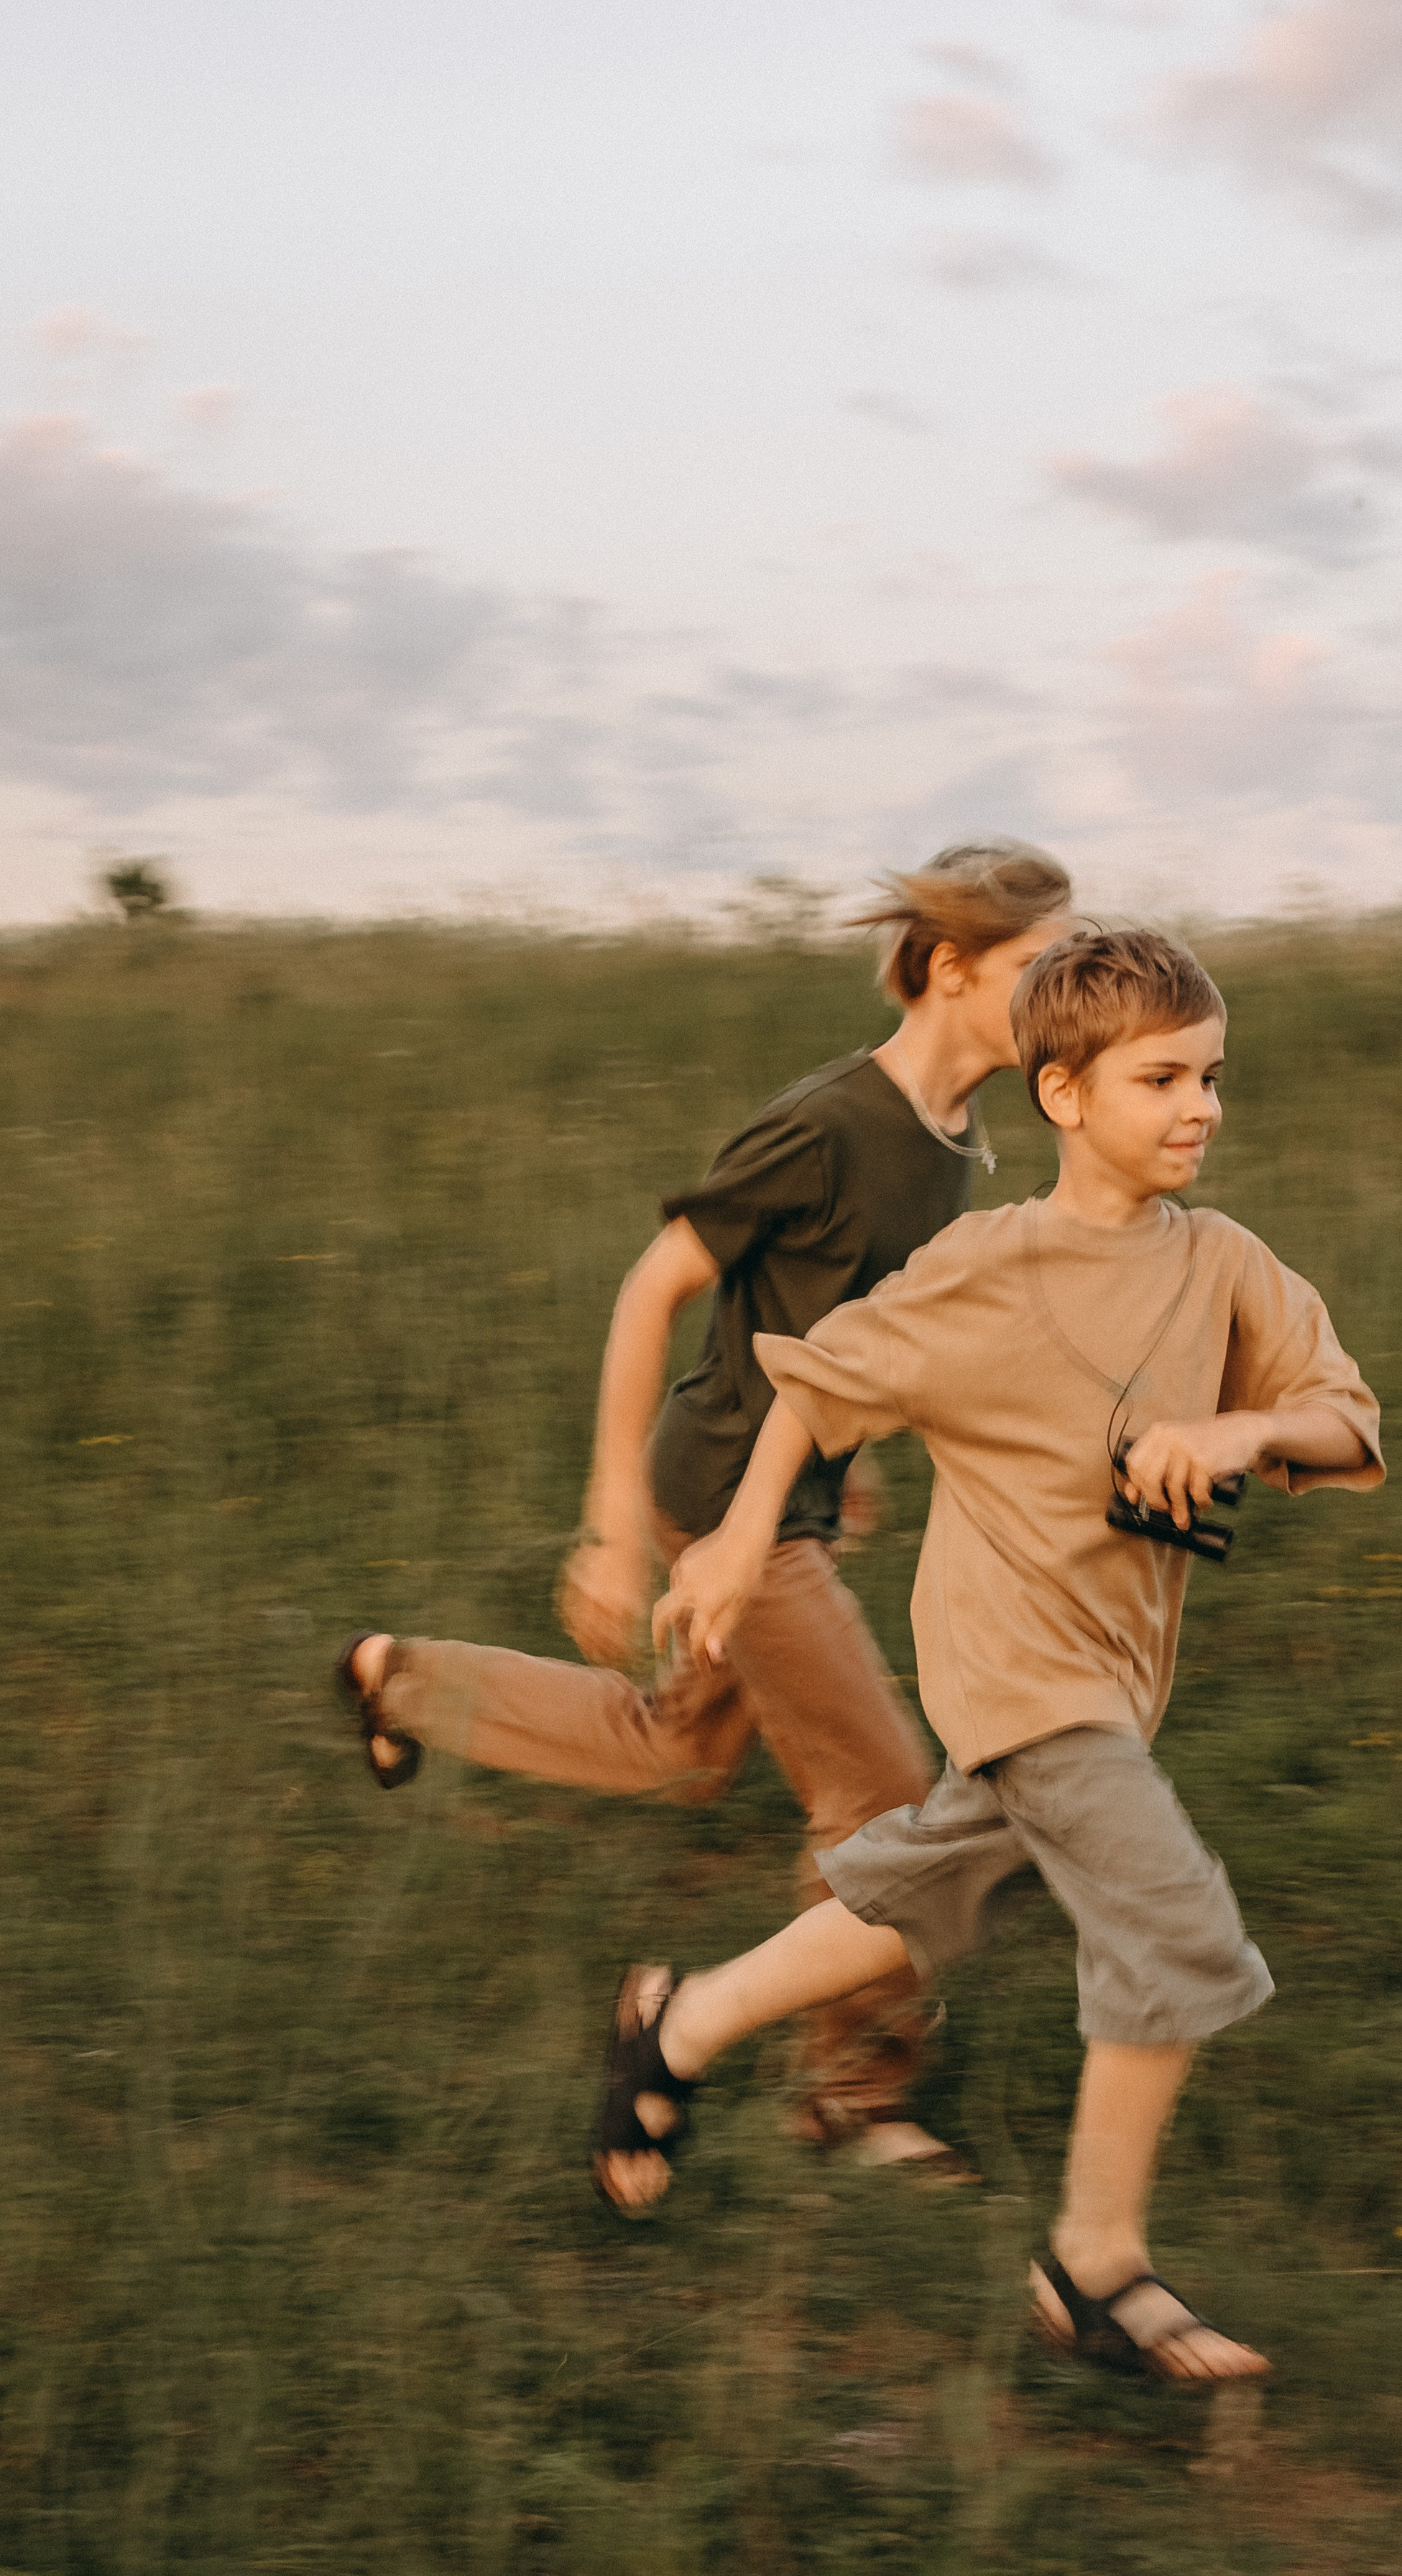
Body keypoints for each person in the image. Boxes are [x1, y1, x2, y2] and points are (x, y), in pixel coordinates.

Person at [591, 928, 1384, 2385]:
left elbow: (1346, 1415)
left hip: (1111, 1678)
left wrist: (1246, 1428)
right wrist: (731, 1537)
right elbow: (815, 1388)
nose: (1199, 1105)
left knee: (931, 1880)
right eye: (1160, 1079)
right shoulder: (986, 1265)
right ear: (1063, 1094)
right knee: (1169, 1922)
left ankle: (676, 2022)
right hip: (1019, 1675)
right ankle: (1094, 2265)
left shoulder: (1225, 1267)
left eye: (1210, 1075)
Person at [336, 841, 1074, 2173]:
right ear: (952, 970)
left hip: (788, 1499)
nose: (1062, 998)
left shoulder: (955, 1133)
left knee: (672, 1749)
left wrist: (860, 1457)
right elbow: (651, 1286)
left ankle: (402, 1682)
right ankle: (851, 2093)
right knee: (890, 1802)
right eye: (1039, 972)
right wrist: (615, 1525)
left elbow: (853, 1322)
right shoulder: (831, 1123)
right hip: (725, 1504)